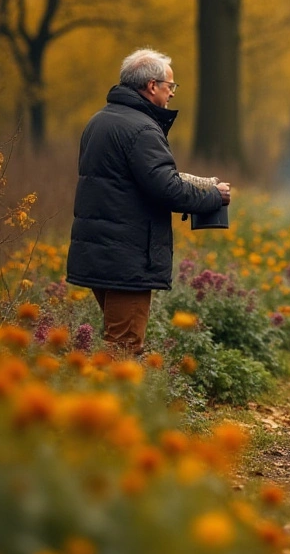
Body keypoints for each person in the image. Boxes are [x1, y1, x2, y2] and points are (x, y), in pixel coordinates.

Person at [66, 48, 231, 357]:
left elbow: (130, 181)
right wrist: (212, 196)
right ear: (152, 85)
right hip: (126, 256)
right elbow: (166, 189)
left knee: (117, 341)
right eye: (170, 86)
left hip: (100, 251)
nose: (171, 94)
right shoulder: (141, 128)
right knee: (124, 349)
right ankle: (110, 404)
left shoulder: (100, 121)